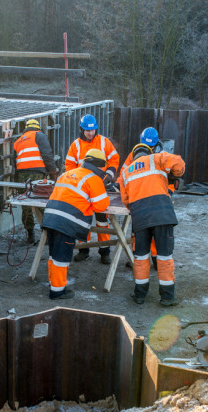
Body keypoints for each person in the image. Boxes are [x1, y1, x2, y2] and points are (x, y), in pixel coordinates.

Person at [117, 128, 185, 306]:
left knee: (140, 257)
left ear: (134, 154)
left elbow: (126, 200)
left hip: (140, 218)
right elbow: (179, 164)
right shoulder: (158, 158)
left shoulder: (126, 172)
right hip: (162, 215)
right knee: (163, 257)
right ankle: (167, 297)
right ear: (150, 150)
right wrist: (172, 176)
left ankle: (139, 295)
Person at [41, 149, 110, 299]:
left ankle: (54, 285)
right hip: (67, 223)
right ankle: (57, 292)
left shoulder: (66, 174)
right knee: (61, 257)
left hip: (50, 219)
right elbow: (101, 206)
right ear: (100, 166)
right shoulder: (94, 179)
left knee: (53, 255)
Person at [64, 114, 119, 264]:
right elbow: (69, 166)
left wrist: (110, 173)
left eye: (93, 130)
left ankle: (104, 251)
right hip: (83, 190)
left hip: (101, 186)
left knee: (102, 220)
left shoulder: (104, 142)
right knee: (83, 219)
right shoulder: (75, 145)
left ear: (96, 129)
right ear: (82, 130)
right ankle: (84, 250)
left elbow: (114, 158)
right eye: (87, 130)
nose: (90, 133)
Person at [121, 127, 173, 270]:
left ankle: (157, 260)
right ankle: (137, 258)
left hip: (157, 198)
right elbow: (123, 174)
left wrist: (168, 192)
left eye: (151, 146)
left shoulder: (162, 157)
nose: (148, 149)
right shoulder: (134, 155)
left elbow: (172, 178)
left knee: (157, 232)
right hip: (140, 197)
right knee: (139, 230)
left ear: (156, 145)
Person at [13, 118, 58, 244]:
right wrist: (53, 172)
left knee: (26, 205)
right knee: (43, 203)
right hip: (37, 175)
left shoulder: (18, 141)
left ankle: (30, 235)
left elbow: (14, 161)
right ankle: (50, 234)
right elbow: (47, 155)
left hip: (22, 176)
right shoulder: (39, 135)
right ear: (37, 127)